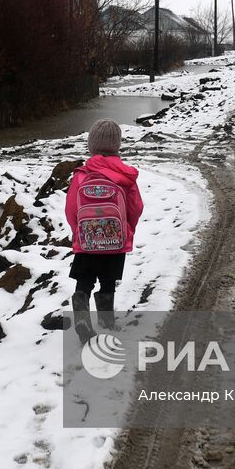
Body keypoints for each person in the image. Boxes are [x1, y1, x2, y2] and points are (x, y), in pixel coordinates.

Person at [66, 119, 144, 339]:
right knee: (108, 282)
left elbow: (71, 208)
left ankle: (81, 305)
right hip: (115, 242)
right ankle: (106, 322)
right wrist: (127, 230)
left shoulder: (82, 174)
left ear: (91, 146)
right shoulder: (125, 176)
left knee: (85, 279)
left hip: (86, 243)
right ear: (117, 146)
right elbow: (136, 207)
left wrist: (79, 233)